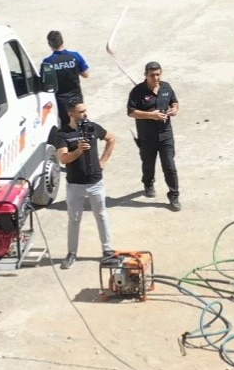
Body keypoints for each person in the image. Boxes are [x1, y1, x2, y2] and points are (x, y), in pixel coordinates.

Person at [47, 100, 115, 269]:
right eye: (81, 112)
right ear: (71, 114)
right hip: (75, 184)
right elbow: (63, 159)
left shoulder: (92, 127)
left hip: (95, 182)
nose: (85, 114)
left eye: (85, 110)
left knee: (101, 215)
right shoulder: (63, 134)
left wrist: (103, 161)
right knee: (74, 219)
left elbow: (111, 138)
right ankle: (72, 253)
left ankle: (107, 250)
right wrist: (78, 150)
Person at [125, 61, 180, 210]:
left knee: (169, 166)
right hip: (147, 137)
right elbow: (131, 112)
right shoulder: (137, 92)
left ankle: (174, 195)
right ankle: (148, 183)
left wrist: (174, 109)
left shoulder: (166, 87)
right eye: (152, 75)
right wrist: (151, 115)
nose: (156, 78)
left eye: (158, 75)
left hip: (166, 135)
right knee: (148, 164)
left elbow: (174, 102)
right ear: (146, 75)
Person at [39, 31, 90, 111]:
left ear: (49, 44)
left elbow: (44, 84)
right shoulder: (75, 56)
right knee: (80, 118)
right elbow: (86, 74)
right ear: (62, 41)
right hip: (77, 99)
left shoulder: (48, 62)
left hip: (60, 102)